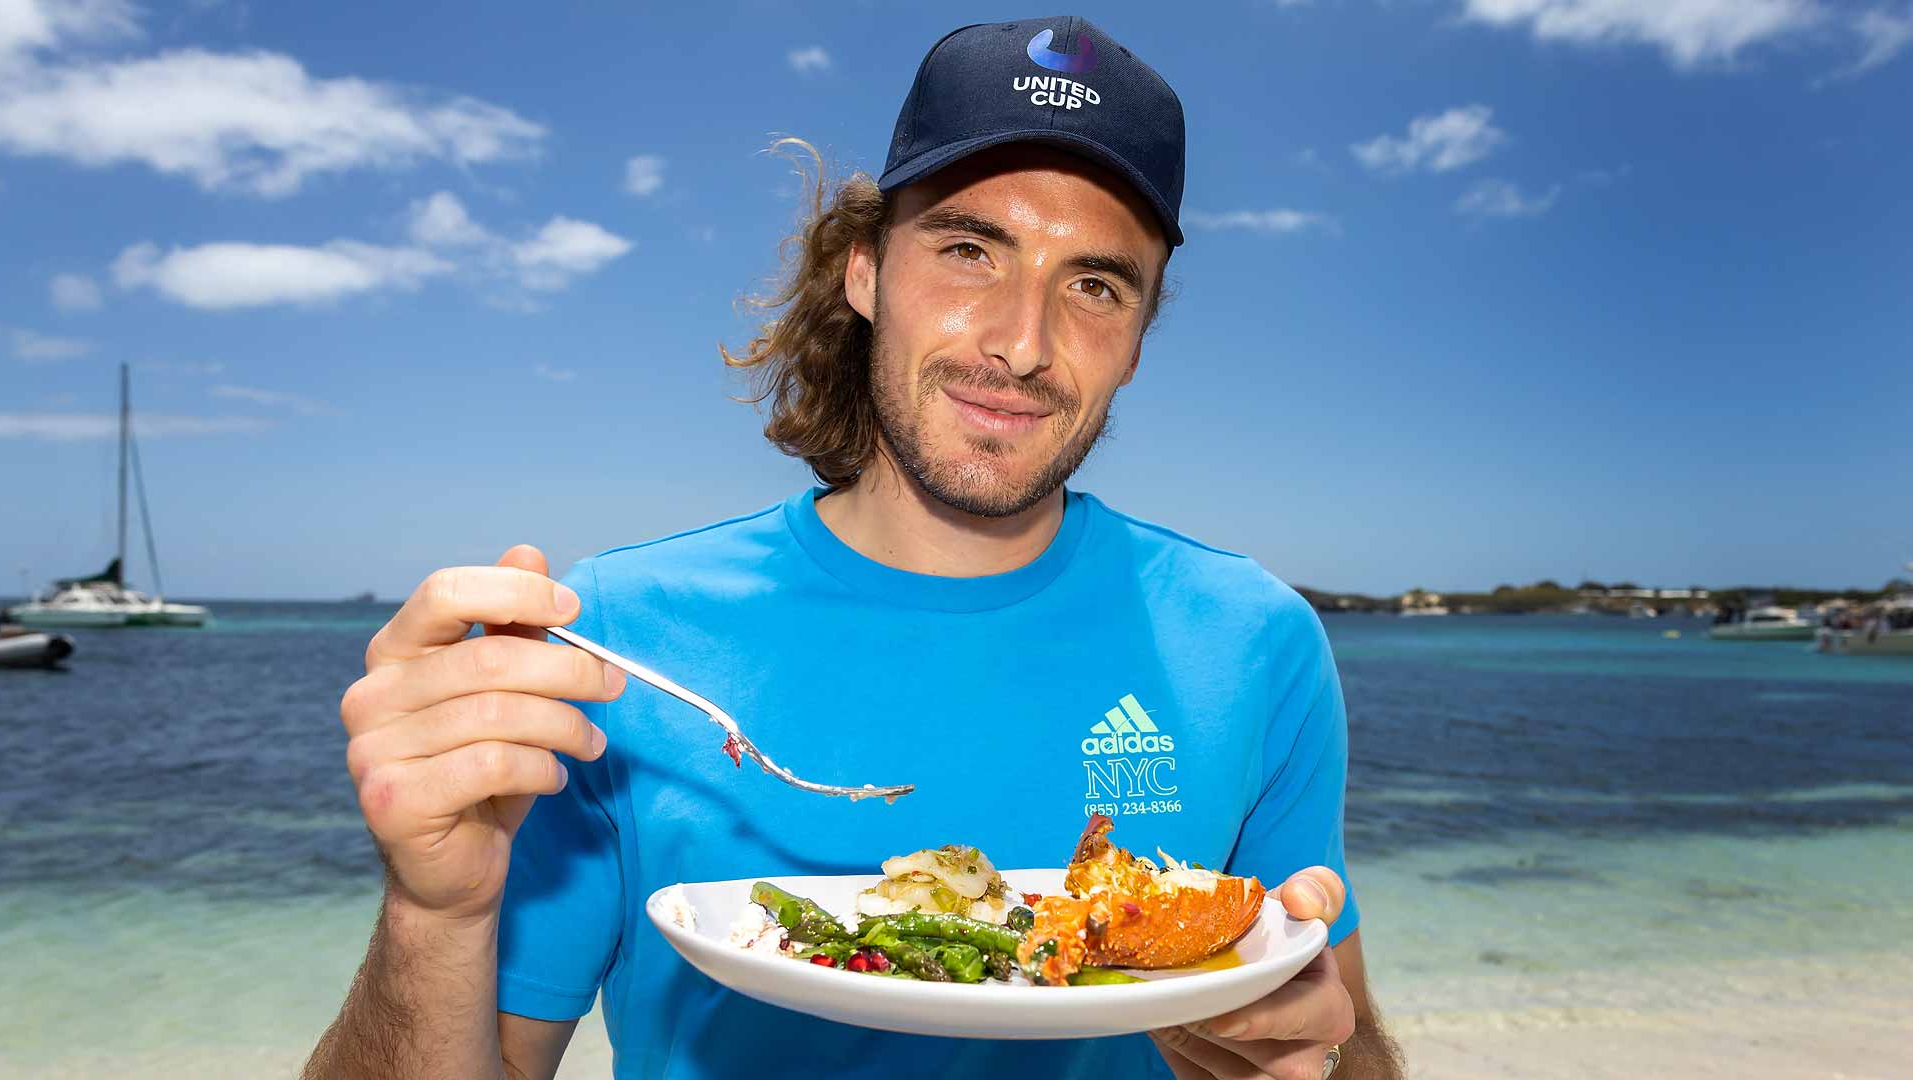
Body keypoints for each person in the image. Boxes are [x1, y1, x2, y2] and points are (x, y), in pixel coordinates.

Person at [306, 16, 1403, 1080]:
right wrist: (432, 915)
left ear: (1139, 336)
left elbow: (1326, 1021)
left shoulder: (1253, 642)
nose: (1023, 344)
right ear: (867, 272)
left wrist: (1311, 1056)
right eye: (971, 249)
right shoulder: (618, 642)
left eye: (1095, 286)